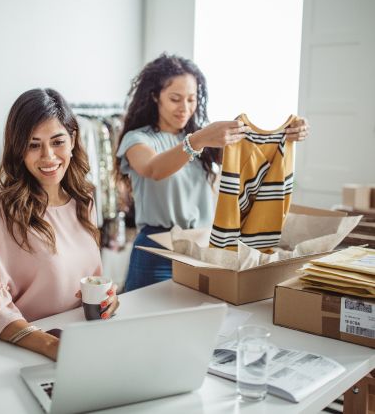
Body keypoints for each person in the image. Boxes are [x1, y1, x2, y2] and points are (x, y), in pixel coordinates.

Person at [115, 53, 309, 292]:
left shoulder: (204, 140)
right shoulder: (138, 139)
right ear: (155, 97)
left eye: (191, 99)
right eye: (175, 99)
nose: (184, 108)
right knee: (145, 322)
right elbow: (153, 169)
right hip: (157, 251)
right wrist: (197, 140)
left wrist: (288, 133)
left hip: (202, 248)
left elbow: (252, 156)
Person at [0, 88, 119, 361]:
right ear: (18, 149)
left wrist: (108, 300)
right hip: (22, 351)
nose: (48, 157)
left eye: (57, 142)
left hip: (81, 342)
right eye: (33, 144)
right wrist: (50, 346)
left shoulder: (84, 199)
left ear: (73, 139)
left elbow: (89, 281)